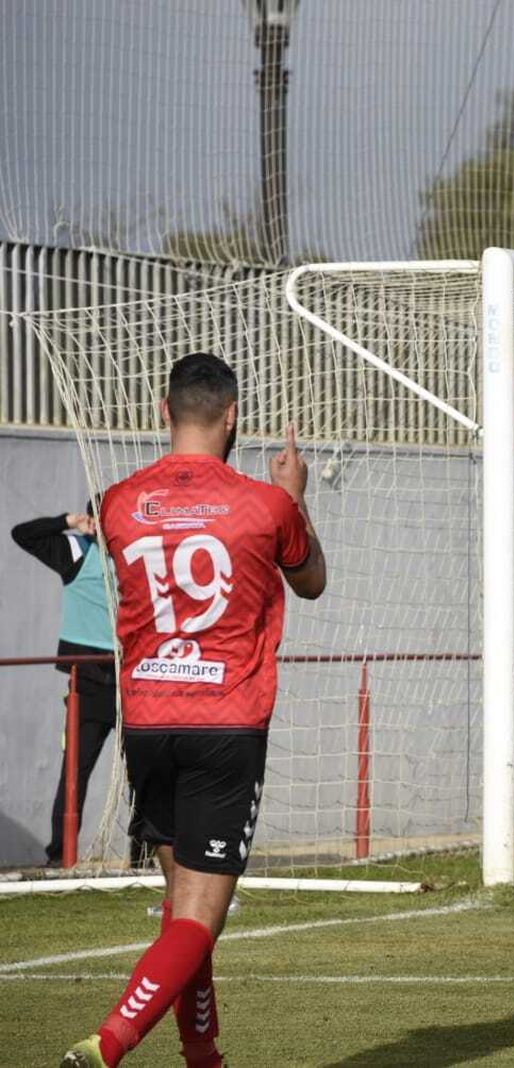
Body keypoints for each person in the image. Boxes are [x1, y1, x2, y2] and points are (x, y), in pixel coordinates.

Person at [62, 352, 326, 1068]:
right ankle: (106, 1044)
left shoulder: (119, 502)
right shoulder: (267, 507)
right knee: (200, 922)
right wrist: (295, 498)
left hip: (148, 721)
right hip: (225, 723)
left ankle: (203, 1056)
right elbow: (311, 583)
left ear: (162, 410)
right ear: (233, 414)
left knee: (183, 911)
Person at [11, 501, 122, 868]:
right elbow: (22, 535)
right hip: (87, 681)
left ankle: (142, 855)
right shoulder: (76, 551)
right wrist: (68, 522)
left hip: (133, 678)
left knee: (146, 772)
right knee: (75, 770)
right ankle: (60, 857)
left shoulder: (141, 558)